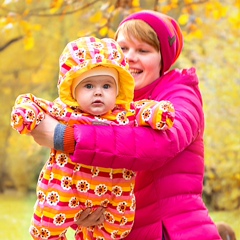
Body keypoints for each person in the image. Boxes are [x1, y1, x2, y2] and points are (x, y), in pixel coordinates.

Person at [29, 10, 222, 240]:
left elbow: (159, 145)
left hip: (173, 231)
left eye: (143, 50)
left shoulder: (180, 95)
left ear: (163, 59)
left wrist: (64, 137)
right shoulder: (105, 103)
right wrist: (81, 213)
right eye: (123, 48)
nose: (130, 57)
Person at [11, 36, 175, 239]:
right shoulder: (66, 112)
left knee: (118, 227)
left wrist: (159, 113)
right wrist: (26, 113)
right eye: (88, 86)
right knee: (47, 226)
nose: (98, 92)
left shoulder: (124, 114)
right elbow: (35, 104)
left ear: (117, 90)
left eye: (106, 86)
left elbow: (146, 110)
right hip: (65, 191)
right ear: (72, 89)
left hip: (114, 196)